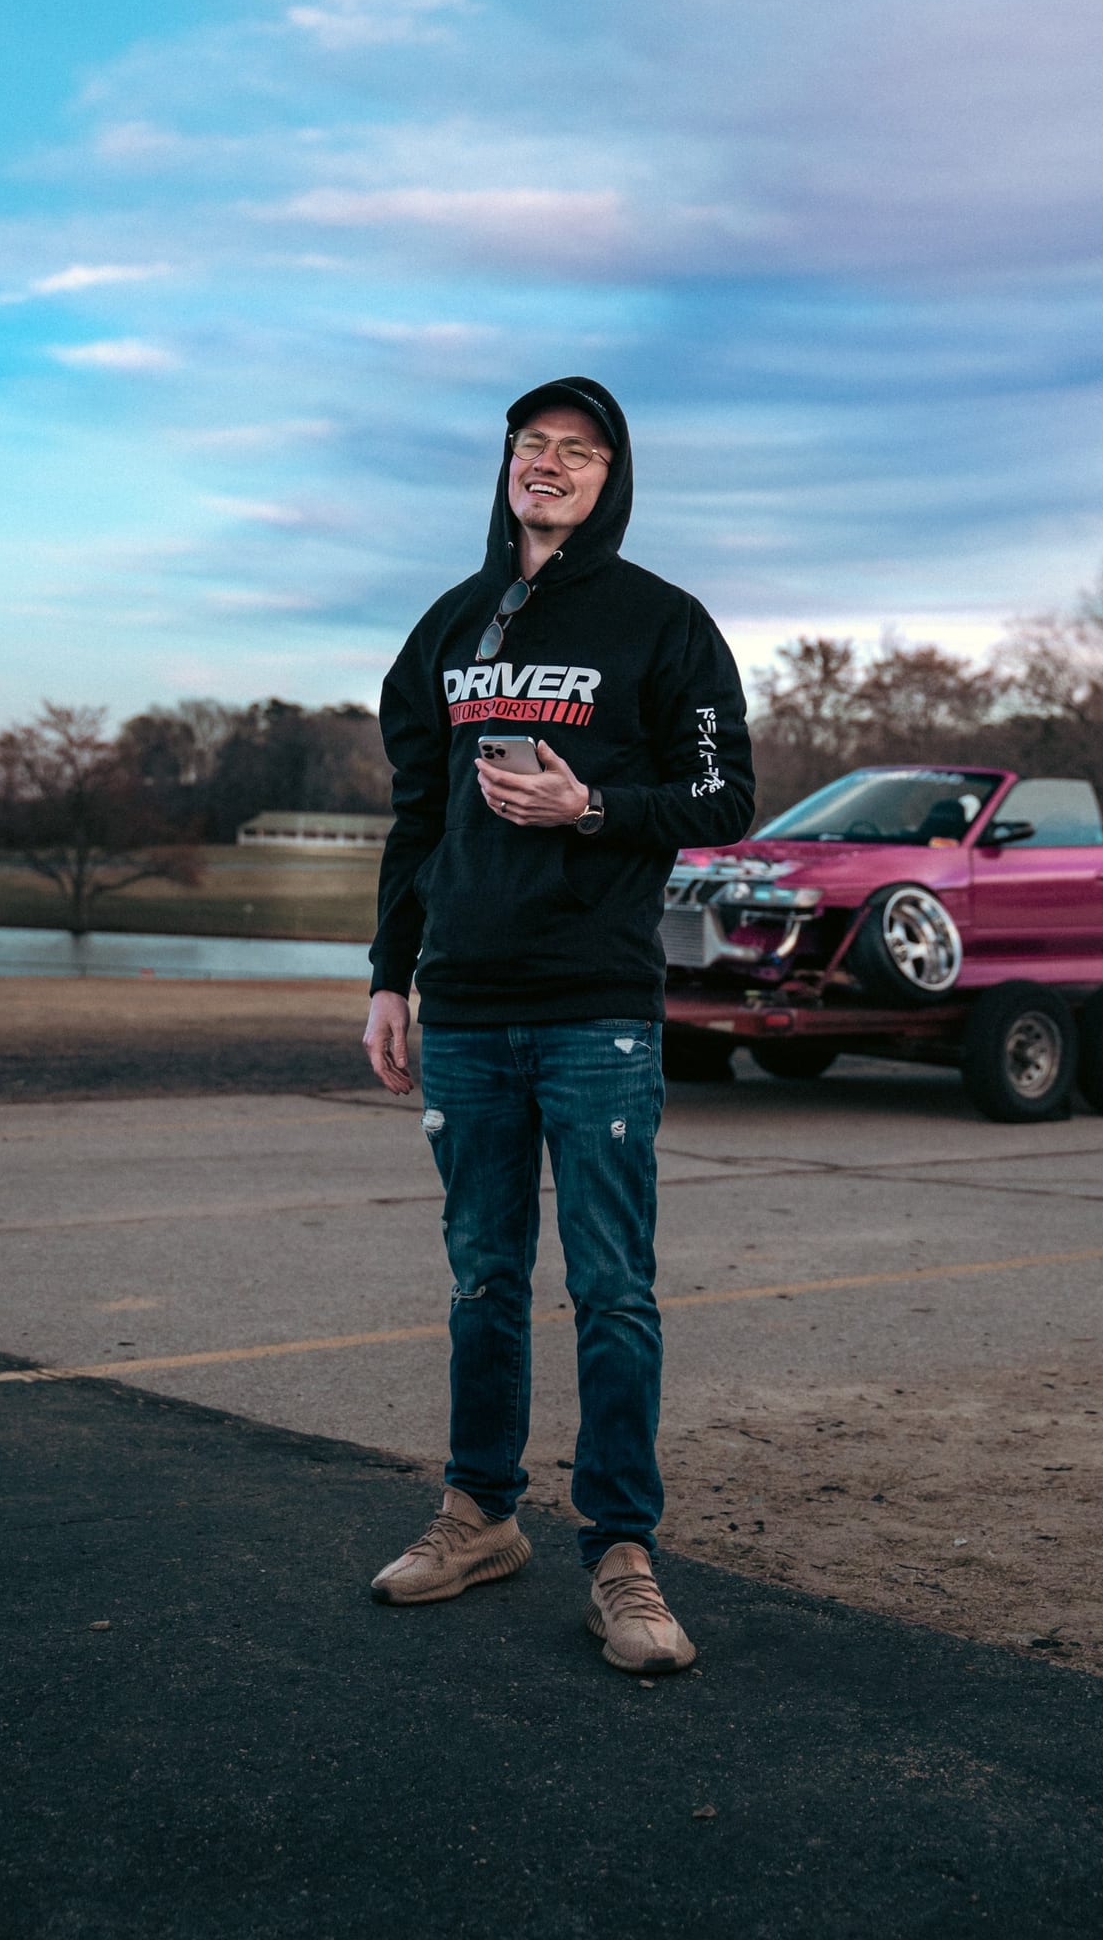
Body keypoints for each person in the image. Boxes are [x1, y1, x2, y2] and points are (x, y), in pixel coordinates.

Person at [362, 377, 754, 1672]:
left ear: (608, 478)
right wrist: (387, 976)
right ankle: (478, 1515)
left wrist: (588, 807)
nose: (548, 464)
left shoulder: (663, 624)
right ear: (507, 466)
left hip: (594, 1006)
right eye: (532, 445)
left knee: (610, 1289)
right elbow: (417, 818)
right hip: (467, 1005)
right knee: (480, 1273)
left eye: (576, 452)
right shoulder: (447, 628)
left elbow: (719, 795)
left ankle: (622, 1558)